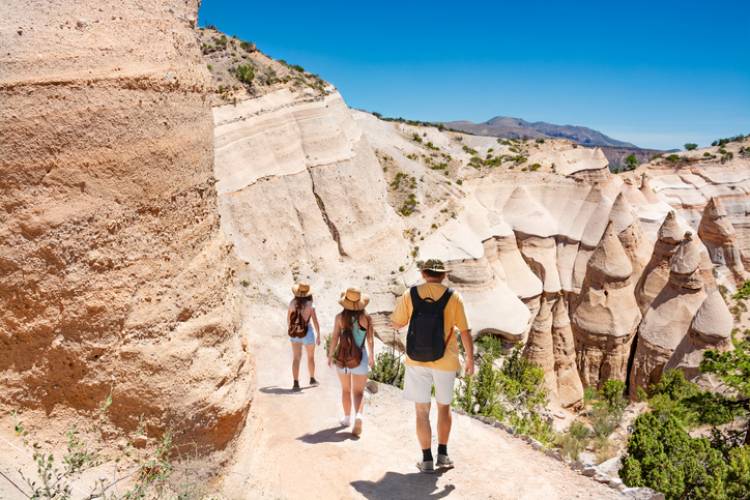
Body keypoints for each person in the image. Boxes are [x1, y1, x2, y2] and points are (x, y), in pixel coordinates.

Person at [391, 259, 474, 473]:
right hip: (446, 361)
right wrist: (471, 360)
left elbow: (397, 323)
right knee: (444, 407)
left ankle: (426, 459)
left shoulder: (410, 294)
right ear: (443, 275)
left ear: (423, 273)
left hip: (416, 360)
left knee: (421, 411)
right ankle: (443, 455)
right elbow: (465, 331)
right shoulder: (453, 297)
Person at [327, 288, 375, 437]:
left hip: (343, 359)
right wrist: (372, 356)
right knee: (359, 392)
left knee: (346, 390)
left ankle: (347, 418)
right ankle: (358, 416)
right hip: (360, 358)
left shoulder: (339, 318)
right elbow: (370, 339)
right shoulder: (366, 318)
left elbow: (335, 337)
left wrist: (330, 355)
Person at [288, 282, 321, 391]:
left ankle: (296, 383)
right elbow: (315, 321)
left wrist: (292, 329)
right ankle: (312, 379)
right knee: (310, 357)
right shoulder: (310, 305)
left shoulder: (292, 303)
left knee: (296, 358)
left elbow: (288, 319)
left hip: (295, 333)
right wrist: (318, 335)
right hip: (308, 332)